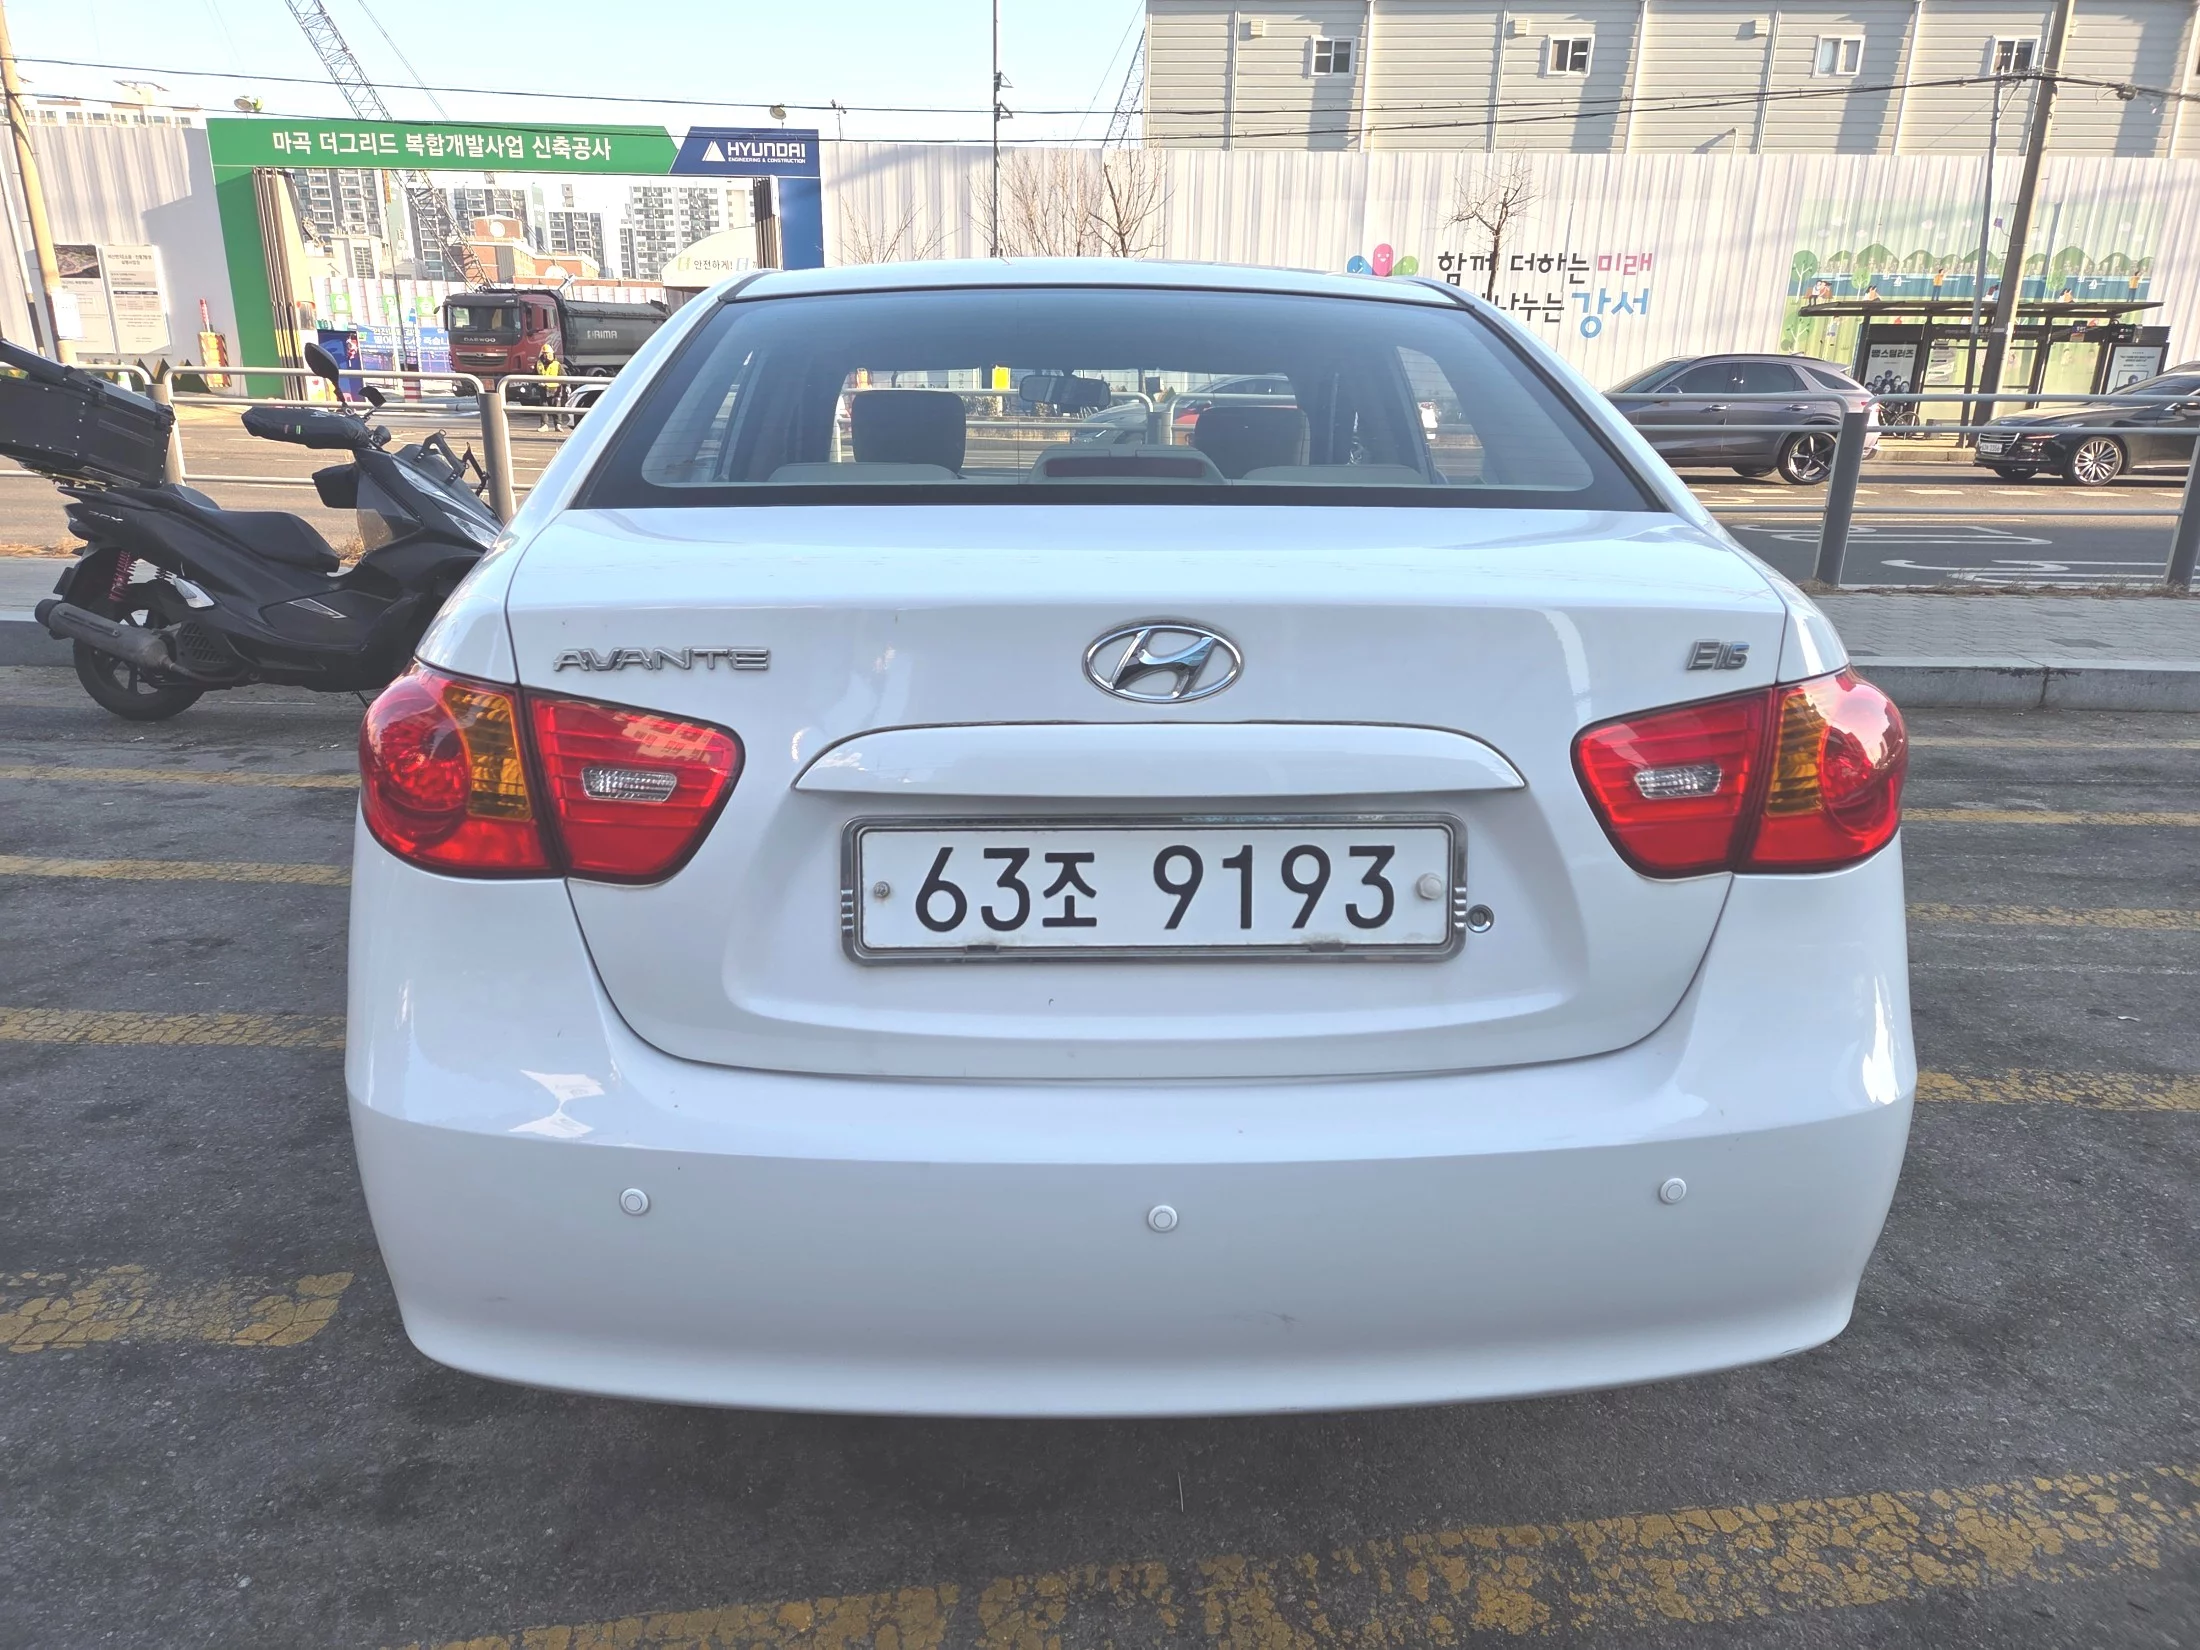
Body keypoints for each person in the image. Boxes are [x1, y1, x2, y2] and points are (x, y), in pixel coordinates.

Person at [535, 342, 565, 430]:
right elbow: (534, 375)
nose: (547, 356)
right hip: (544, 389)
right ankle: (544, 425)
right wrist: (537, 383)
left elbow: (564, 376)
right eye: (545, 354)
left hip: (555, 389)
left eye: (548, 354)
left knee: (556, 407)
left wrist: (567, 386)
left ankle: (558, 425)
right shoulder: (538, 363)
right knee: (544, 408)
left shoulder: (557, 364)